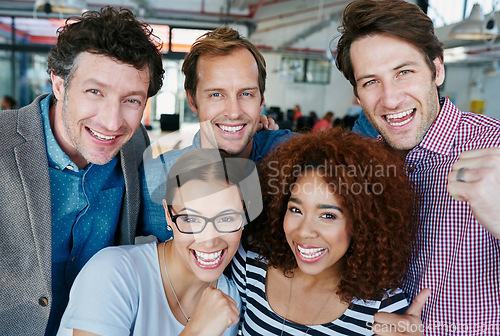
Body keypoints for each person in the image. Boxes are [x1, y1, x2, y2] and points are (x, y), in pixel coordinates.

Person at [335, 0, 500, 334]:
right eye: (370, 82)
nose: (391, 99)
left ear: (437, 70)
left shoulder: (494, 148)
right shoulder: (364, 166)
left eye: (403, 72)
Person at [0, 7, 164, 336]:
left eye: (131, 100)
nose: (112, 121)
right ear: (59, 85)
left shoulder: (135, 144)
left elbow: (163, 229)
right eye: (95, 92)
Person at [232, 128, 422, 335]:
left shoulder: (383, 308)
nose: (305, 231)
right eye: (296, 209)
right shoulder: (250, 264)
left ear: (362, 224)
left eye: (328, 216)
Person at [58, 149, 262, 336]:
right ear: (167, 214)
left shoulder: (232, 297)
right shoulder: (113, 273)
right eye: (191, 219)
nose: (209, 241)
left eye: (226, 218)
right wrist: (197, 330)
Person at [141, 26, 292, 242]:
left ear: (261, 99)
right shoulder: (156, 178)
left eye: (246, 93)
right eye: (216, 94)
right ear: (192, 100)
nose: (234, 112)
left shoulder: (292, 159)